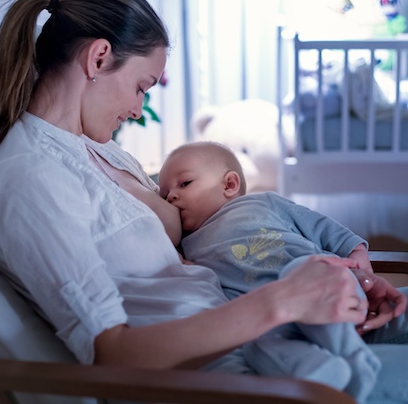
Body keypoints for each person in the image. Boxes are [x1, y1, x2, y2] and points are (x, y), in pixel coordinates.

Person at [0, 0, 408, 403]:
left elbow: (200, 242)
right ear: (99, 57)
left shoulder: (102, 151)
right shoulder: (29, 180)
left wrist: (341, 280)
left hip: (278, 323)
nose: (139, 107)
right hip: (238, 372)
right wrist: (284, 299)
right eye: (143, 85)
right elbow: (111, 353)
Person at [157, 141, 394, 401]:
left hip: (323, 292)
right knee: (253, 347)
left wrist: (359, 263)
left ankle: (354, 358)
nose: (171, 196)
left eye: (185, 183)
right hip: (271, 318)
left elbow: (326, 229)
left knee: (300, 268)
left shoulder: (262, 203)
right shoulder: (188, 245)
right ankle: (318, 370)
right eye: (165, 193)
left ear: (229, 185)